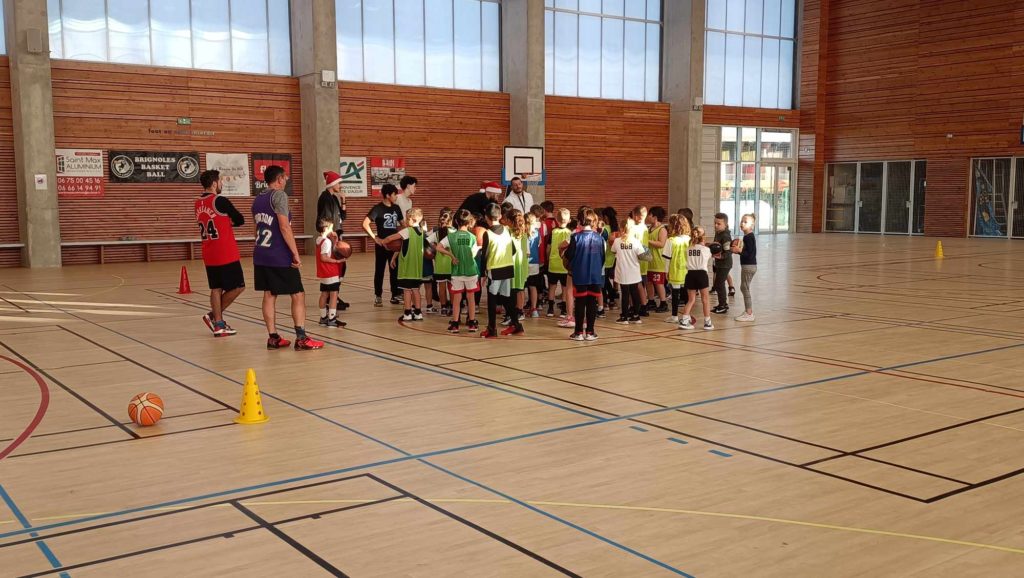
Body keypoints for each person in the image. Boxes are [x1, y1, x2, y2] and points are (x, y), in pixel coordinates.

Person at [252, 165, 323, 350]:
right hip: (279, 254)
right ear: (279, 179)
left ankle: (273, 337)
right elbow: (284, 227)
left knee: (269, 294)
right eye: (285, 178)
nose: (286, 180)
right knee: (297, 294)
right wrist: (295, 253)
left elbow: (257, 228)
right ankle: (301, 338)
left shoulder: (258, 199)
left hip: (261, 253)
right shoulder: (279, 195)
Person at [194, 169, 244, 337]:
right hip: (225, 252)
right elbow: (240, 219)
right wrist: (229, 223)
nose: (222, 184)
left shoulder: (198, 203)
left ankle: (219, 324)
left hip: (209, 252)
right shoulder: (220, 200)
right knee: (238, 287)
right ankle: (213, 316)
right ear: (215, 183)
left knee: (216, 288)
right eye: (221, 181)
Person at [479, 203, 521, 338]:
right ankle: (516, 325)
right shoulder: (507, 230)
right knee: (506, 298)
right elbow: (513, 250)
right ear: (500, 216)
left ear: (486, 217)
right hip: (508, 268)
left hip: (495, 270)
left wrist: (482, 273)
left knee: (492, 299)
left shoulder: (488, 234)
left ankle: (492, 328)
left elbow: (484, 255)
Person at [564, 209, 605, 341]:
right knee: (592, 303)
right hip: (595, 275)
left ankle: (578, 332)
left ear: (580, 221)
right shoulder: (599, 238)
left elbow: (569, 255)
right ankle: (590, 332)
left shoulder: (575, 237)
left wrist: (563, 255)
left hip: (580, 275)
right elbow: (603, 257)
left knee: (580, 303)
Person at [436, 209, 480, 333]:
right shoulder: (472, 237)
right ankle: (472, 323)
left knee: (457, 298)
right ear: (469, 221)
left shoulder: (451, 236)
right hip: (471, 270)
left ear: (456, 221)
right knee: (471, 297)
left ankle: (455, 324)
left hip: (457, 271)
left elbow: (438, 247)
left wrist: (451, 255)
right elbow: (473, 254)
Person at [362, 184, 404, 306]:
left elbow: (403, 224)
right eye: (394, 194)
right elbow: (365, 224)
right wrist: (375, 238)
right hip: (381, 245)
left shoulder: (396, 208)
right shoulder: (377, 208)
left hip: (394, 244)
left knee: (394, 270)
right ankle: (378, 295)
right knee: (379, 270)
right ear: (387, 195)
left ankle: (395, 295)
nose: (396, 197)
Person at [382, 208, 426, 321]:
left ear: (413, 219)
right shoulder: (421, 232)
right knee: (416, 290)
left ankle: (407, 313)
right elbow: (403, 246)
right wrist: (393, 257)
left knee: (406, 291)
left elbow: (390, 238)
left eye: (407, 218)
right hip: (417, 268)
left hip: (407, 267)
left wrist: (383, 242)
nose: (405, 221)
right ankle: (418, 313)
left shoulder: (407, 231)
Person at [317, 170, 349, 310]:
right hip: (332, 236)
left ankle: (335, 294)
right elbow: (325, 220)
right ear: (332, 183)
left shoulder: (334, 198)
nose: (340, 186)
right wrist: (332, 236)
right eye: (338, 183)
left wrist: (343, 200)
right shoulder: (325, 198)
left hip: (337, 234)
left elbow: (343, 216)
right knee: (335, 267)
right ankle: (331, 296)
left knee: (341, 267)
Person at [612, 217, 647, 325]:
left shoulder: (617, 241)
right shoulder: (636, 242)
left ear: (621, 228)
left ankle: (624, 317)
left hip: (623, 271)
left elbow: (613, 251)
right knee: (634, 293)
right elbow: (642, 255)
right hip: (634, 271)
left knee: (625, 294)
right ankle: (636, 316)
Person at [678, 226, 713, 331]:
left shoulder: (688, 249)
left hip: (690, 274)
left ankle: (684, 320)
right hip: (701, 274)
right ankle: (707, 323)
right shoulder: (706, 250)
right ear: (703, 237)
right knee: (705, 299)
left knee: (691, 300)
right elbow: (709, 257)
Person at [661, 215, 692, 324]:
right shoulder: (689, 240)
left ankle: (674, 316)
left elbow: (667, 259)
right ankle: (687, 315)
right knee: (686, 294)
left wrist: (666, 272)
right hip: (688, 271)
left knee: (675, 294)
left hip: (675, 271)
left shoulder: (671, 241)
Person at [315, 219, 346, 328]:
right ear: (325, 229)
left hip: (323, 272)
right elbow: (324, 257)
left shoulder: (319, 240)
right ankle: (332, 319)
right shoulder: (327, 242)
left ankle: (323, 318)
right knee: (334, 295)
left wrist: (335, 239)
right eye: (331, 228)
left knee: (324, 294)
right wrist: (337, 261)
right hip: (331, 271)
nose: (333, 230)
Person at [505, 209, 530, 330]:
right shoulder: (524, 233)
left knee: (511, 291)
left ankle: (512, 313)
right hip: (522, 264)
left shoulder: (508, 232)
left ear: (509, 221)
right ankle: (520, 311)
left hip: (512, 263)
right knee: (520, 289)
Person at [545, 208, 572, 318]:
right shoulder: (570, 233)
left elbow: (548, 248)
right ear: (569, 220)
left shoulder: (553, 232)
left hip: (553, 263)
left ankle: (550, 309)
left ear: (556, 219)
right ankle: (564, 310)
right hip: (564, 265)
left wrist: (548, 258)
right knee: (565, 288)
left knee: (552, 286)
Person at [429, 209, 454, 317]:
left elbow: (426, 241)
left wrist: (435, 247)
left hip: (440, 265)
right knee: (452, 288)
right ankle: (452, 307)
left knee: (442, 288)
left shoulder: (436, 233)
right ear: (451, 221)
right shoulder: (454, 232)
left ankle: (443, 308)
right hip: (452, 264)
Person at [734, 213, 757, 322]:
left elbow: (750, 254)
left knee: (744, 288)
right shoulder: (747, 237)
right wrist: (738, 251)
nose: (742, 223)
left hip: (749, 266)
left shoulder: (749, 237)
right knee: (744, 287)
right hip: (747, 266)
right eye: (741, 221)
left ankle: (749, 313)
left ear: (752, 225)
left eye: (745, 222)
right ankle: (748, 311)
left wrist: (739, 251)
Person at [645, 206, 669, 313]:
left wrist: (648, 241)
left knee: (658, 283)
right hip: (648, 260)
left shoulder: (662, 229)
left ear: (655, 217)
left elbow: (661, 244)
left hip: (658, 261)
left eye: (649, 215)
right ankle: (651, 301)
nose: (648, 217)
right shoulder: (649, 228)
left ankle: (663, 302)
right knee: (648, 282)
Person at [711, 212, 733, 314]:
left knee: (719, 284)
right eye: (715, 223)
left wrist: (720, 256)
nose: (716, 225)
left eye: (718, 224)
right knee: (718, 284)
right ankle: (722, 304)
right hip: (719, 263)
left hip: (725, 264)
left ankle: (723, 305)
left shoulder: (725, 236)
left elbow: (728, 252)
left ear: (725, 224)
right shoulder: (718, 233)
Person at [525, 211, 544, 317]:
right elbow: (539, 244)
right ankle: (534, 309)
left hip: (524, 262)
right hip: (535, 262)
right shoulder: (537, 233)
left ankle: (519, 309)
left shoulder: (523, 233)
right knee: (533, 286)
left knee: (521, 288)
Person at [600, 207, 619, 311]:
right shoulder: (616, 229)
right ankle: (611, 299)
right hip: (612, 257)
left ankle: (607, 299)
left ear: (605, 217)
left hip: (604, 257)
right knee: (606, 279)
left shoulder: (605, 229)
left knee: (603, 280)